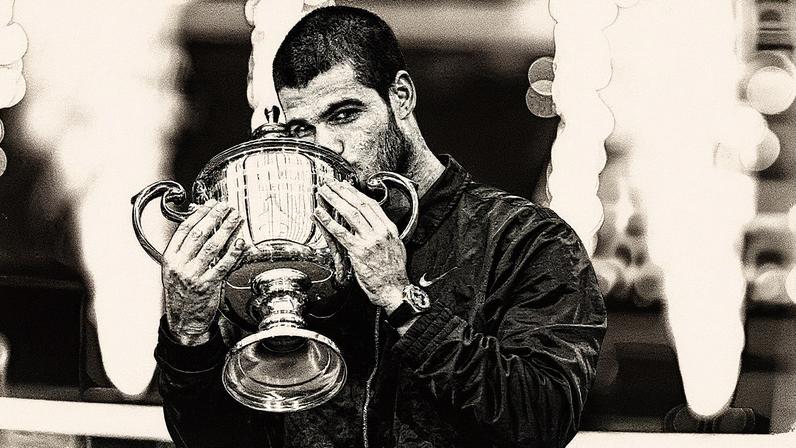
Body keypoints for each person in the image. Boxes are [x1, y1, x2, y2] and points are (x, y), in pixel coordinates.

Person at [154, 6, 606, 448]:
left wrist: (401, 300)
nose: (329, 146)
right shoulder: (289, 252)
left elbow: (543, 419)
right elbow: (215, 437)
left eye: (344, 114)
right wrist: (189, 335)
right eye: (302, 129)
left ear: (401, 97)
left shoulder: (526, 239)